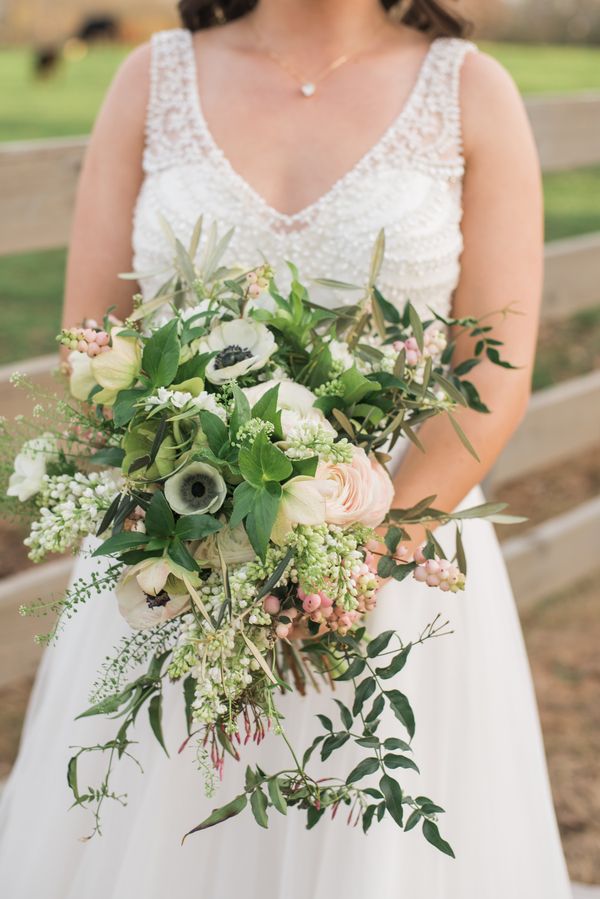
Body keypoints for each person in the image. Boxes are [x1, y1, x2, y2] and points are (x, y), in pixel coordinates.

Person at [0, 1, 573, 896]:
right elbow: (92, 339)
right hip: (172, 562)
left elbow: (492, 374)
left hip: (397, 578)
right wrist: (191, 523)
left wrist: (367, 556)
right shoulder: (152, 79)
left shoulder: (471, 91)